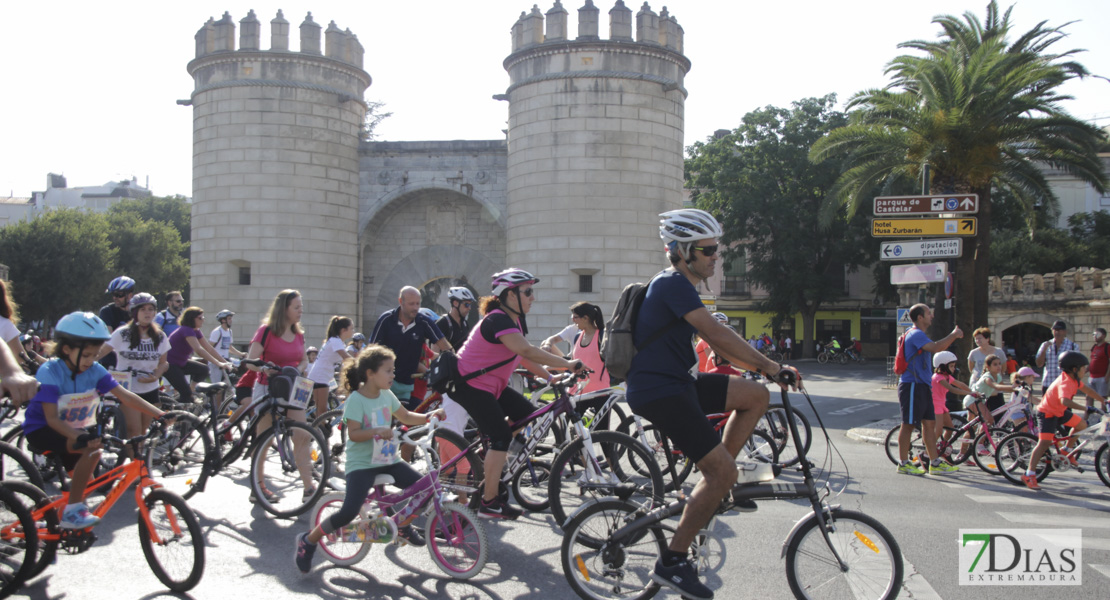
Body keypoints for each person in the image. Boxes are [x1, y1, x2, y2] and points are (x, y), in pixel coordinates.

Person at [629, 209, 799, 600]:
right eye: (708, 250)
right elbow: (715, 330)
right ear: (684, 252)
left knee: (756, 396)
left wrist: (767, 373)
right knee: (723, 473)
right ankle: (671, 563)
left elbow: (720, 344)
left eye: (715, 250)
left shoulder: (682, 286)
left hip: (679, 382)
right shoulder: (672, 283)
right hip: (661, 391)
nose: (715, 256)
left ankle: (717, 480)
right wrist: (770, 364)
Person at [294, 344, 446, 573]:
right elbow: (354, 434)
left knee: (425, 487)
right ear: (370, 374)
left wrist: (428, 416)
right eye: (388, 371)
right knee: (348, 511)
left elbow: (404, 416)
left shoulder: (386, 394)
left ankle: (402, 524)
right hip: (362, 465)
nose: (393, 375)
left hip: (387, 459)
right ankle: (309, 540)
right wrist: (376, 430)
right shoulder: (357, 400)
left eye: (393, 371)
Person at [451, 268, 586, 520]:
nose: (532, 297)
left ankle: (490, 457)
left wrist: (550, 376)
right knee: (501, 436)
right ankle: (488, 502)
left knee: (526, 413)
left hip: (491, 386)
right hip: (471, 385)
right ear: (510, 295)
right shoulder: (497, 319)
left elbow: (522, 356)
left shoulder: (510, 321)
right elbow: (528, 350)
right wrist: (568, 363)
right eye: (528, 292)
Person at [22, 312, 166, 528]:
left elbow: (125, 395)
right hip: (43, 429)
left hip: (73, 430)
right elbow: (51, 419)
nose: (91, 361)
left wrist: (160, 414)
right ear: (66, 349)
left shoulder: (95, 370)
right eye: (87, 355)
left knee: (85, 487)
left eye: (95, 355)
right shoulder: (50, 371)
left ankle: (51, 515)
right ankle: (71, 513)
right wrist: (82, 436)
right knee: (92, 452)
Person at [240, 289, 314, 502]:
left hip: (295, 387)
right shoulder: (266, 331)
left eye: (301, 306)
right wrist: (264, 369)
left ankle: (309, 487)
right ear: (284, 309)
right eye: (296, 307)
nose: (301, 310)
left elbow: (303, 360)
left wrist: (299, 368)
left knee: (302, 434)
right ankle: (258, 485)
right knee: (263, 437)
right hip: (269, 387)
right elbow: (250, 361)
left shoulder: (299, 334)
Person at [896, 303, 963, 477]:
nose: (931, 316)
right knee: (908, 424)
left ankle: (934, 462)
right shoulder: (916, 334)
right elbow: (936, 348)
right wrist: (954, 335)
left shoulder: (919, 334)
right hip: (912, 385)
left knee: (929, 424)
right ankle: (903, 463)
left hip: (922, 386)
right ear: (920, 317)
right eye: (928, 313)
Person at [1023, 351, 1107, 490]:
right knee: (1045, 443)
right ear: (1075, 369)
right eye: (1083, 367)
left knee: (1082, 425)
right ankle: (1029, 474)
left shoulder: (1073, 379)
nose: (1085, 370)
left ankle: (1066, 450)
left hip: (1059, 411)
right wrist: (1085, 408)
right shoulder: (1066, 382)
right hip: (1047, 413)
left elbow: (1087, 390)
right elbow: (1065, 400)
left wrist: (1103, 400)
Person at [97, 293, 171, 438]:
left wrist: (156, 375)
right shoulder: (122, 333)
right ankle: (134, 459)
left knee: (144, 431)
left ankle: (140, 460)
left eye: (151, 309)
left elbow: (163, 363)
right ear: (135, 312)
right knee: (133, 431)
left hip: (150, 388)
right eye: (143, 309)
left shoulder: (160, 336)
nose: (147, 313)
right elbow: (100, 353)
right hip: (128, 388)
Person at [369, 287, 451, 411]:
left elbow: (444, 344)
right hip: (383, 380)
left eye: (418, 303)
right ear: (400, 301)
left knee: (406, 423)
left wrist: (454, 362)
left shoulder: (423, 322)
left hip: (405, 383)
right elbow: (371, 350)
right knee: (383, 421)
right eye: (411, 303)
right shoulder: (386, 319)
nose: (415, 307)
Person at [165, 307, 232, 404]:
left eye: (203, 317)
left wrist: (225, 362)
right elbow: (199, 350)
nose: (203, 320)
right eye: (200, 318)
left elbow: (209, 348)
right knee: (185, 393)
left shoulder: (196, 330)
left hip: (181, 363)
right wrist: (218, 363)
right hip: (170, 365)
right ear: (192, 319)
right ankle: (182, 412)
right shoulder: (186, 330)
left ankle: (191, 393)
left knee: (203, 370)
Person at [306, 316, 354, 416]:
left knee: (321, 409)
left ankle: (319, 429)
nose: (353, 331)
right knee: (322, 410)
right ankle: (319, 430)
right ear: (343, 330)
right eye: (351, 328)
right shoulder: (335, 341)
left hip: (323, 376)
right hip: (320, 377)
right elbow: (346, 357)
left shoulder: (337, 341)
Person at [930, 352, 973, 447]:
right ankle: (927, 452)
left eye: (954, 366)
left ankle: (941, 448)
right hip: (935, 405)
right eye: (951, 366)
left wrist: (973, 392)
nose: (954, 368)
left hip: (942, 405)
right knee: (938, 431)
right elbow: (952, 389)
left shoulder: (947, 376)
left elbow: (960, 384)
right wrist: (970, 393)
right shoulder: (938, 377)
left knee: (950, 429)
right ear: (943, 366)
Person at [965, 355, 1014, 427]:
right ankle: (981, 437)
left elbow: (1004, 388)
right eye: (995, 364)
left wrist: (1018, 389)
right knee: (989, 420)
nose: (998, 366)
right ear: (988, 367)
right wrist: (1013, 387)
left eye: (999, 363)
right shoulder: (987, 377)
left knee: (973, 428)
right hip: (973, 400)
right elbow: (996, 386)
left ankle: (979, 437)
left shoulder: (998, 376)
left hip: (980, 401)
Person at [98, 276, 135, 369]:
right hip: (111, 362)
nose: (115, 298)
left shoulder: (137, 312)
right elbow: (109, 337)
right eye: (113, 294)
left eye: (119, 295)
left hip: (133, 363)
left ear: (130, 295)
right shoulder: (107, 311)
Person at [966, 327, 1007, 413]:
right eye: (976, 339)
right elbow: (971, 368)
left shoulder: (998, 352)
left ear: (987, 338)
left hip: (994, 383)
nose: (977, 341)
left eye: (980, 338)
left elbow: (1003, 367)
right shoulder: (973, 353)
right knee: (980, 413)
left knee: (997, 410)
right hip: (979, 384)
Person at [1036, 320, 1079, 394]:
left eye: (1060, 330)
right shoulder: (1045, 345)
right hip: (1048, 383)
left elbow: (1077, 366)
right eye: (1055, 330)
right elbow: (1039, 364)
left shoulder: (1073, 346)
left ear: (1065, 332)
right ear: (1052, 331)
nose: (1057, 332)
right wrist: (1044, 350)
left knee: (1065, 405)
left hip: (1065, 385)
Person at [208, 309, 246, 385]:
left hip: (225, 361)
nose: (231, 320)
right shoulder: (217, 332)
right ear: (223, 320)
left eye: (231, 318)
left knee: (228, 383)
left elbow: (229, 348)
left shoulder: (229, 331)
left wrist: (241, 354)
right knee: (217, 385)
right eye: (229, 319)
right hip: (215, 363)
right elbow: (209, 348)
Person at [436, 286, 476, 351]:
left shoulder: (465, 323)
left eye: (470, 304)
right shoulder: (442, 323)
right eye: (466, 304)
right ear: (455, 303)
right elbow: (435, 351)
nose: (469, 308)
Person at [1089, 327, 1108, 399]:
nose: (1094, 336)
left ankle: (1103, 410)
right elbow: (1092, 360)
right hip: (1091, 376)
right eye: (1093, 334)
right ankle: (1089, 410)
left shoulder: (1107, 347)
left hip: (1102, 377)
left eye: (1097, 334)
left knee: (1102, 398)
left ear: (1103, 336)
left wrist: (1107, 376)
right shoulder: (1094, 347)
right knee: (1089, 397)